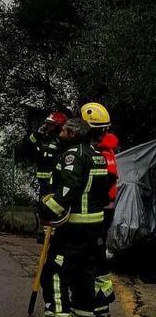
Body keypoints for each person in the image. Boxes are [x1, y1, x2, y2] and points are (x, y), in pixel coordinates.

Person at [39, 118, 111, 317]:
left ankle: (58, 313)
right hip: (95, 229)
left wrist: (46, 209)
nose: (60, 134)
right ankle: (85, 312)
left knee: (55, 272)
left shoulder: (73, 155)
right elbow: (104, 194)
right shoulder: (97, 155)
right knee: (84, 276)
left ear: (73, 134)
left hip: (75, 228)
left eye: (63, 131)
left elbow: (67, 192)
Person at [81, 102, 118, 317]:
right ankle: (100, 304)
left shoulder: (99, 155)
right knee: (96, 258)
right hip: (104, 211)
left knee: (93, 260)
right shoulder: (107, 151)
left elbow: (102, 186)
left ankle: (100, 302)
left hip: (99, 213)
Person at [28, 111, 69, 199]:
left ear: (58, 126)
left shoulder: (63, 141)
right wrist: (37, 133)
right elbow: (28, 145)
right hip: (43, 182)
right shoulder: (44, 137)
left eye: (51, 124)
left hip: (55, 181)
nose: (48, 126)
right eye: (47, 124)